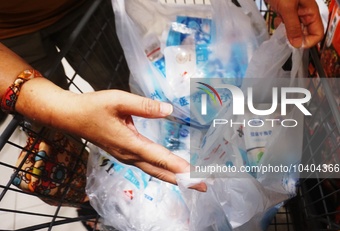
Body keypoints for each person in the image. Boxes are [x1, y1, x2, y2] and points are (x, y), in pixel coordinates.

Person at [0, 0, 324, 191]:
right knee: (58, 134)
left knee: (123, 95)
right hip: (9, 33)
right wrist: (54, 107)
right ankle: (90, 192)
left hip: (86, 6)